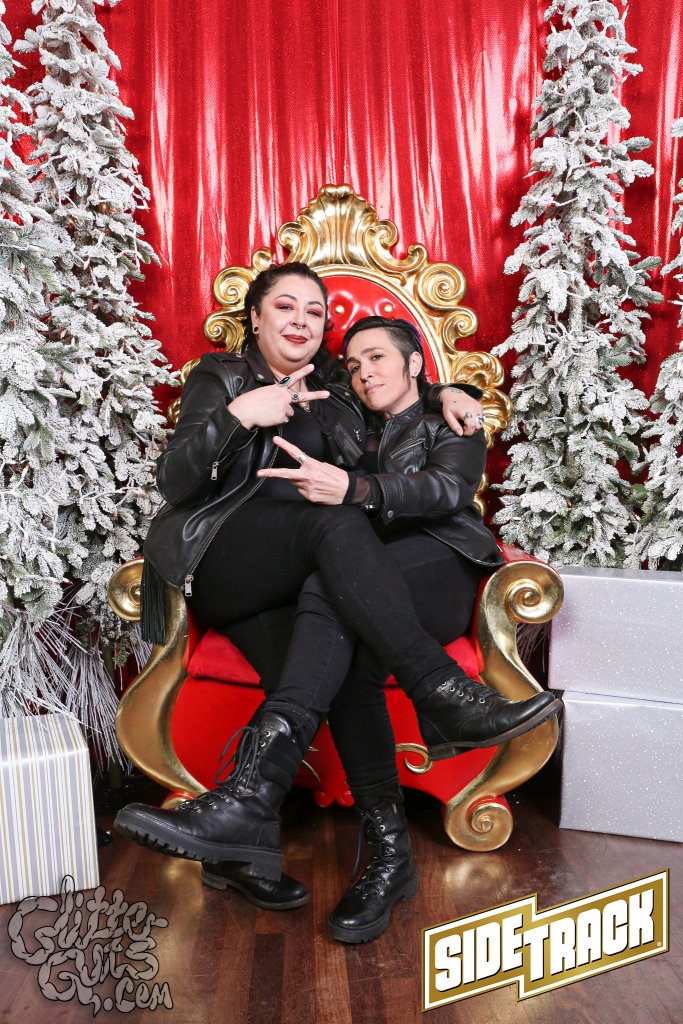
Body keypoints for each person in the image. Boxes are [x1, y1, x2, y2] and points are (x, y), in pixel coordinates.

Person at [114, 265, 559, 907]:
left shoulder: (331, 387)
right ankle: (444, 694)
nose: (300, 320)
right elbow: (175, 481)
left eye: (314, 312)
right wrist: (242, 414)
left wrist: (451, 392)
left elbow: (396, 390)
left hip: (293, 576)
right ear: (255, 319)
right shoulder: (224, 375)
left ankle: (271, 838)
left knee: (337, 664)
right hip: (224, 558)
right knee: (339, 521)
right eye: (284, 307)